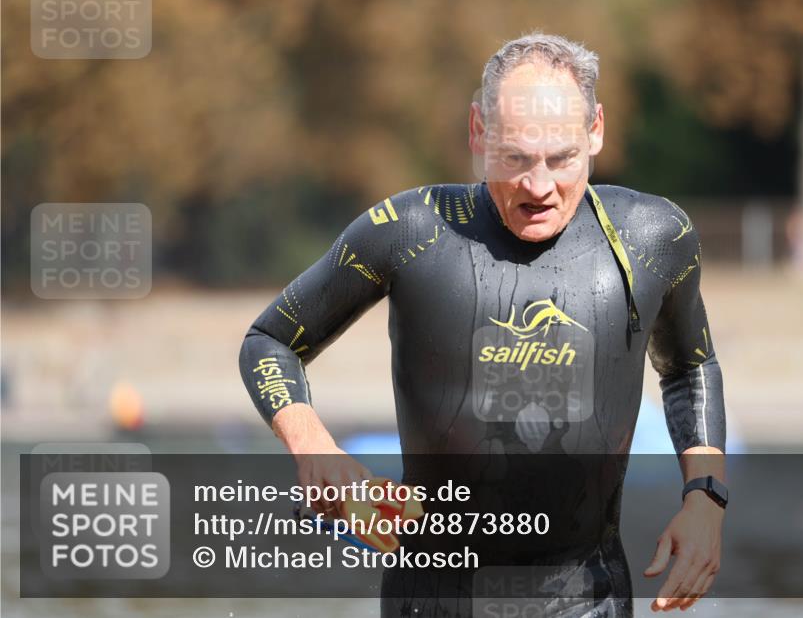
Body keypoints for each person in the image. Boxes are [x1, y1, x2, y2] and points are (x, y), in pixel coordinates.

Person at [239, 32, 727, 616]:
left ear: (595, 129)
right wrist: (315, 448)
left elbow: (690, 366)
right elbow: (269, 341)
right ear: (478, 132)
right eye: (515, 158)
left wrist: (705, 496)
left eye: (563, 158)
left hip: (587, 599)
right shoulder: (409, 230)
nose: (539, 186)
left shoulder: (654, 238)